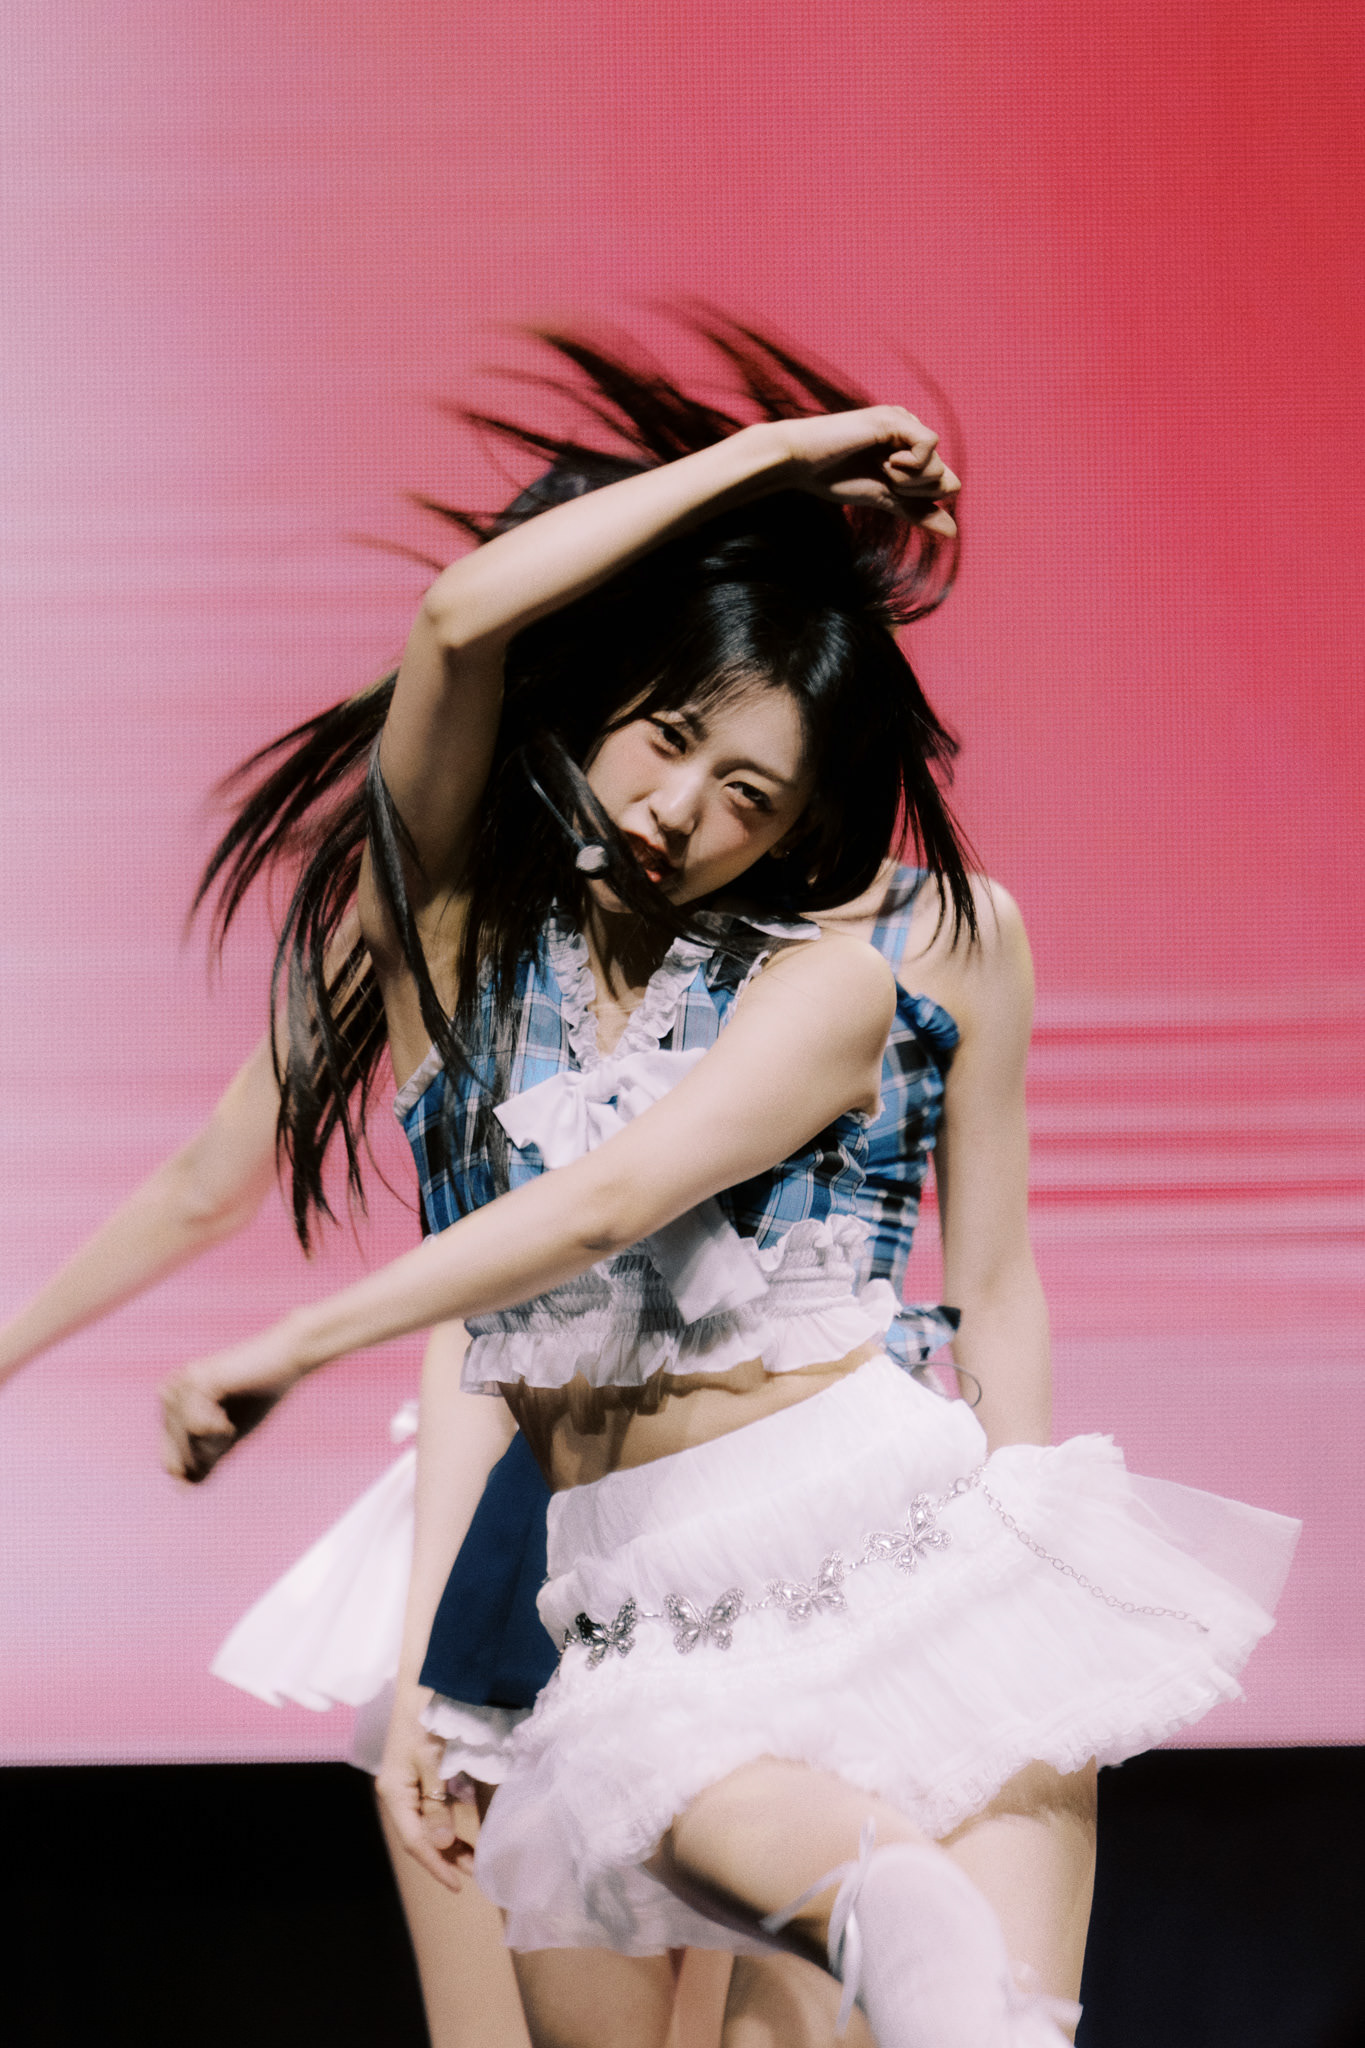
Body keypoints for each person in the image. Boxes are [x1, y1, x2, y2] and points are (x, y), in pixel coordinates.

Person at [158, 321, 1298, 2048]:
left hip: (876, 1527)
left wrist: (1016, 1546)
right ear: (604, 709)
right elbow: (457, 625)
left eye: (745, 790)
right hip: (627, 1600)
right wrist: (781, 456)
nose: (680, 806)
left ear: (793, 829)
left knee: (966, 2009)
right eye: (667, 737)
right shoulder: (454, 946)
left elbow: (732, 1230)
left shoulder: (820, 981)